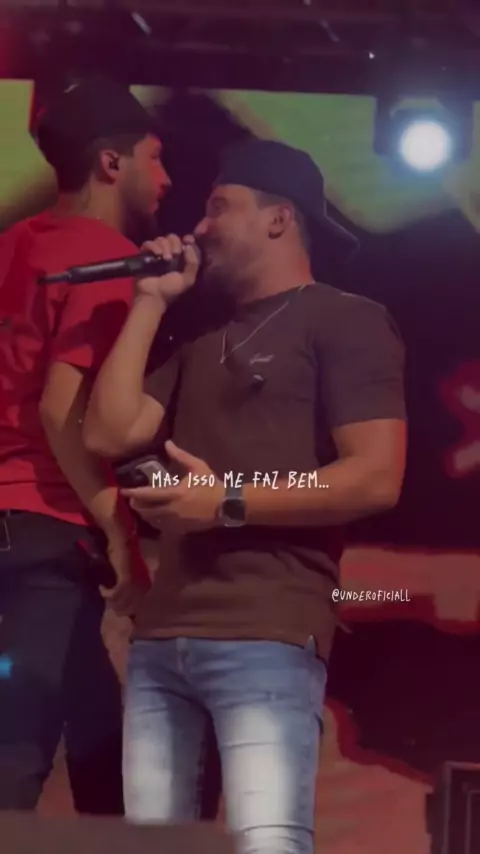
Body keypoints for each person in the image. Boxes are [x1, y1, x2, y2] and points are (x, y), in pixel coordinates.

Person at [84, 138, 407, 853]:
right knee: (152, 849)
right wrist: (148, 302)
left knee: (267, 842)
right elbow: (107, 433)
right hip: (163, 637)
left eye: (218, 208)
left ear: (279, 219)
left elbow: (374, 476)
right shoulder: (199, 333)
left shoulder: (346, 319)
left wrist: (228, 499)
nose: (199, 227)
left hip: (267, 628)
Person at [0, 77, 170, 812]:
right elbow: (62, 413)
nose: (166, 178)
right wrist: (122, 537)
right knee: (19, 749)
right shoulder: (106, 259)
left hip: (18, 530)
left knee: (99, 736)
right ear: (111, 163)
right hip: (44, 526)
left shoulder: (13, 245)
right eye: (155, 158)